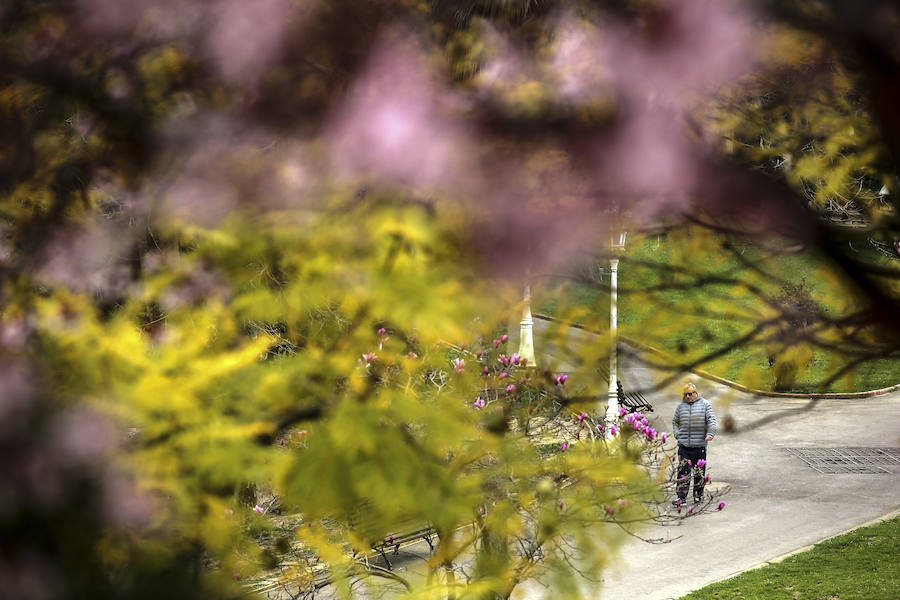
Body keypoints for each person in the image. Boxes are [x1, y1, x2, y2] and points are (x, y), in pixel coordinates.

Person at [672, 381, 717, 505]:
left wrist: (710, 433)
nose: (687, 397)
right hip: (684, 446)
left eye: (690, 394)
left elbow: (711, 420)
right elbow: (675, 421)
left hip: (699, 446)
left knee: (699, 472)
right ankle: (681, 497)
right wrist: (677, 434)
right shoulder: (681, 407)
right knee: (683, 473)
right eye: (685, 394)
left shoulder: (705, 405)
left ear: (695, 393)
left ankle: (698, 496)